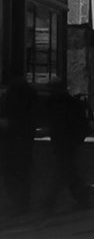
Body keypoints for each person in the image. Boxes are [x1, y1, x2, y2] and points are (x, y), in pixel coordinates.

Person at [43, 77, 91, 213]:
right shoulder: (69, 103)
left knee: (65, 170)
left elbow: (60, 124)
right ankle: (82, 198)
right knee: (68, 170)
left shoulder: (58, 103)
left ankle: (51, 201)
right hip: (67, 141)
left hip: (65, 141)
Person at [1, 74, 38, 217]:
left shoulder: (14, 95)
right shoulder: (30, 95)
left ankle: (19, 203)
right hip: (24, 141)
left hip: (13, 143)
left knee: (14, 174)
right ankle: (23, 203)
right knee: (22, 174)